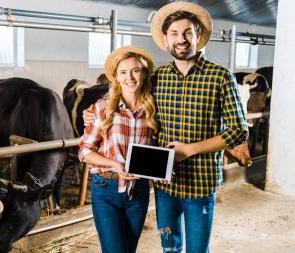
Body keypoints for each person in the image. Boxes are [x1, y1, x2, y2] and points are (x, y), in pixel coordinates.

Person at [83, 2, 248, 252]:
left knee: (196, 250)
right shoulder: (157, 78)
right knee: (169, 247)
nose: (181, 40)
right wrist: (92, 113)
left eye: (188, 32)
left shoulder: (221, 77)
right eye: (174, 33)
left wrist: (189, 150)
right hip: (164, 184)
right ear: (165, 38)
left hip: (200, 182)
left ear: (199, 36)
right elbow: (128, 98)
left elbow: (238, 131)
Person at [78, 45, 159, 253]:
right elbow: (84, 151)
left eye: (135, 71)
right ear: (115, 77)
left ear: (143, 74)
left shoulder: (153, 109)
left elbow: (157, 149)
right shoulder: (103, 108)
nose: (129, 78)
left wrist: (163, 168)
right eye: (123, 72)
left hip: (138, 190)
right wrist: (115, 163)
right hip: (106, 187)